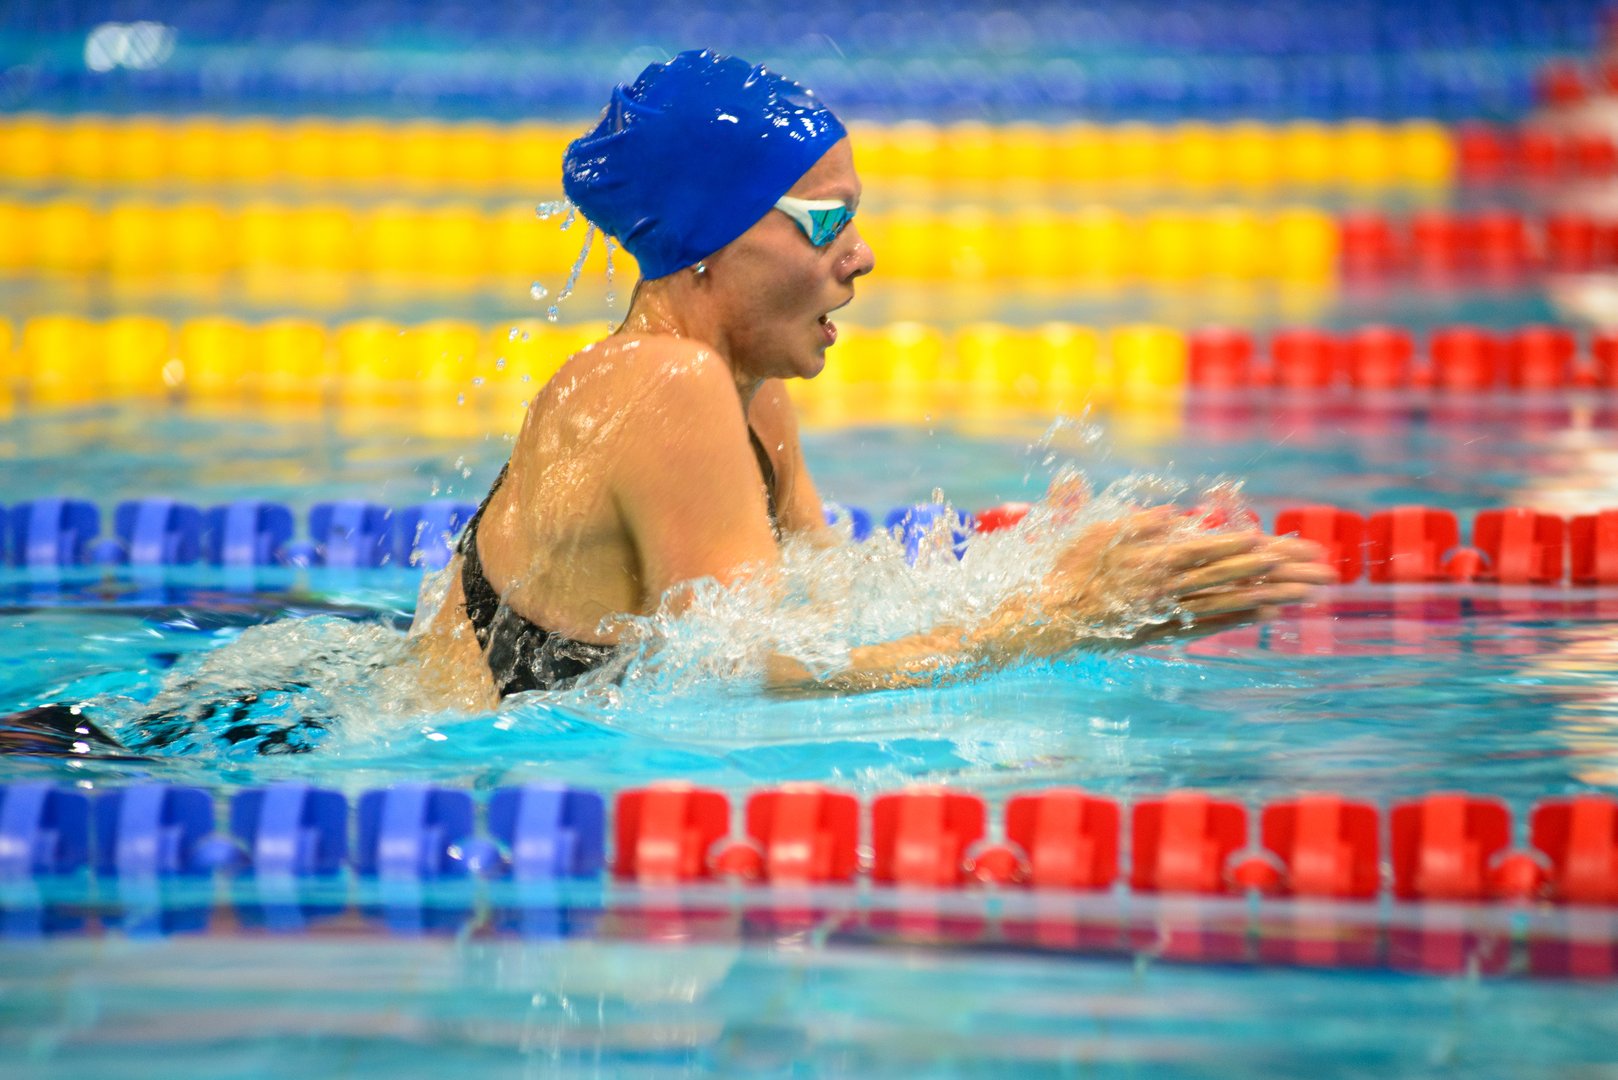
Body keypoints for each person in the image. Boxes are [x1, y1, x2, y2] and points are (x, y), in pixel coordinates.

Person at [407, 49, 1336, 709]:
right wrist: (1053, 620)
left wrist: (1049, 568)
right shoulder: (660, 382)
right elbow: (747, 676)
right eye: (826, 222)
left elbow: (821, 605)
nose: (863, 256)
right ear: (708, 239)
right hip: (451, 797)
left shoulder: (744, 390)